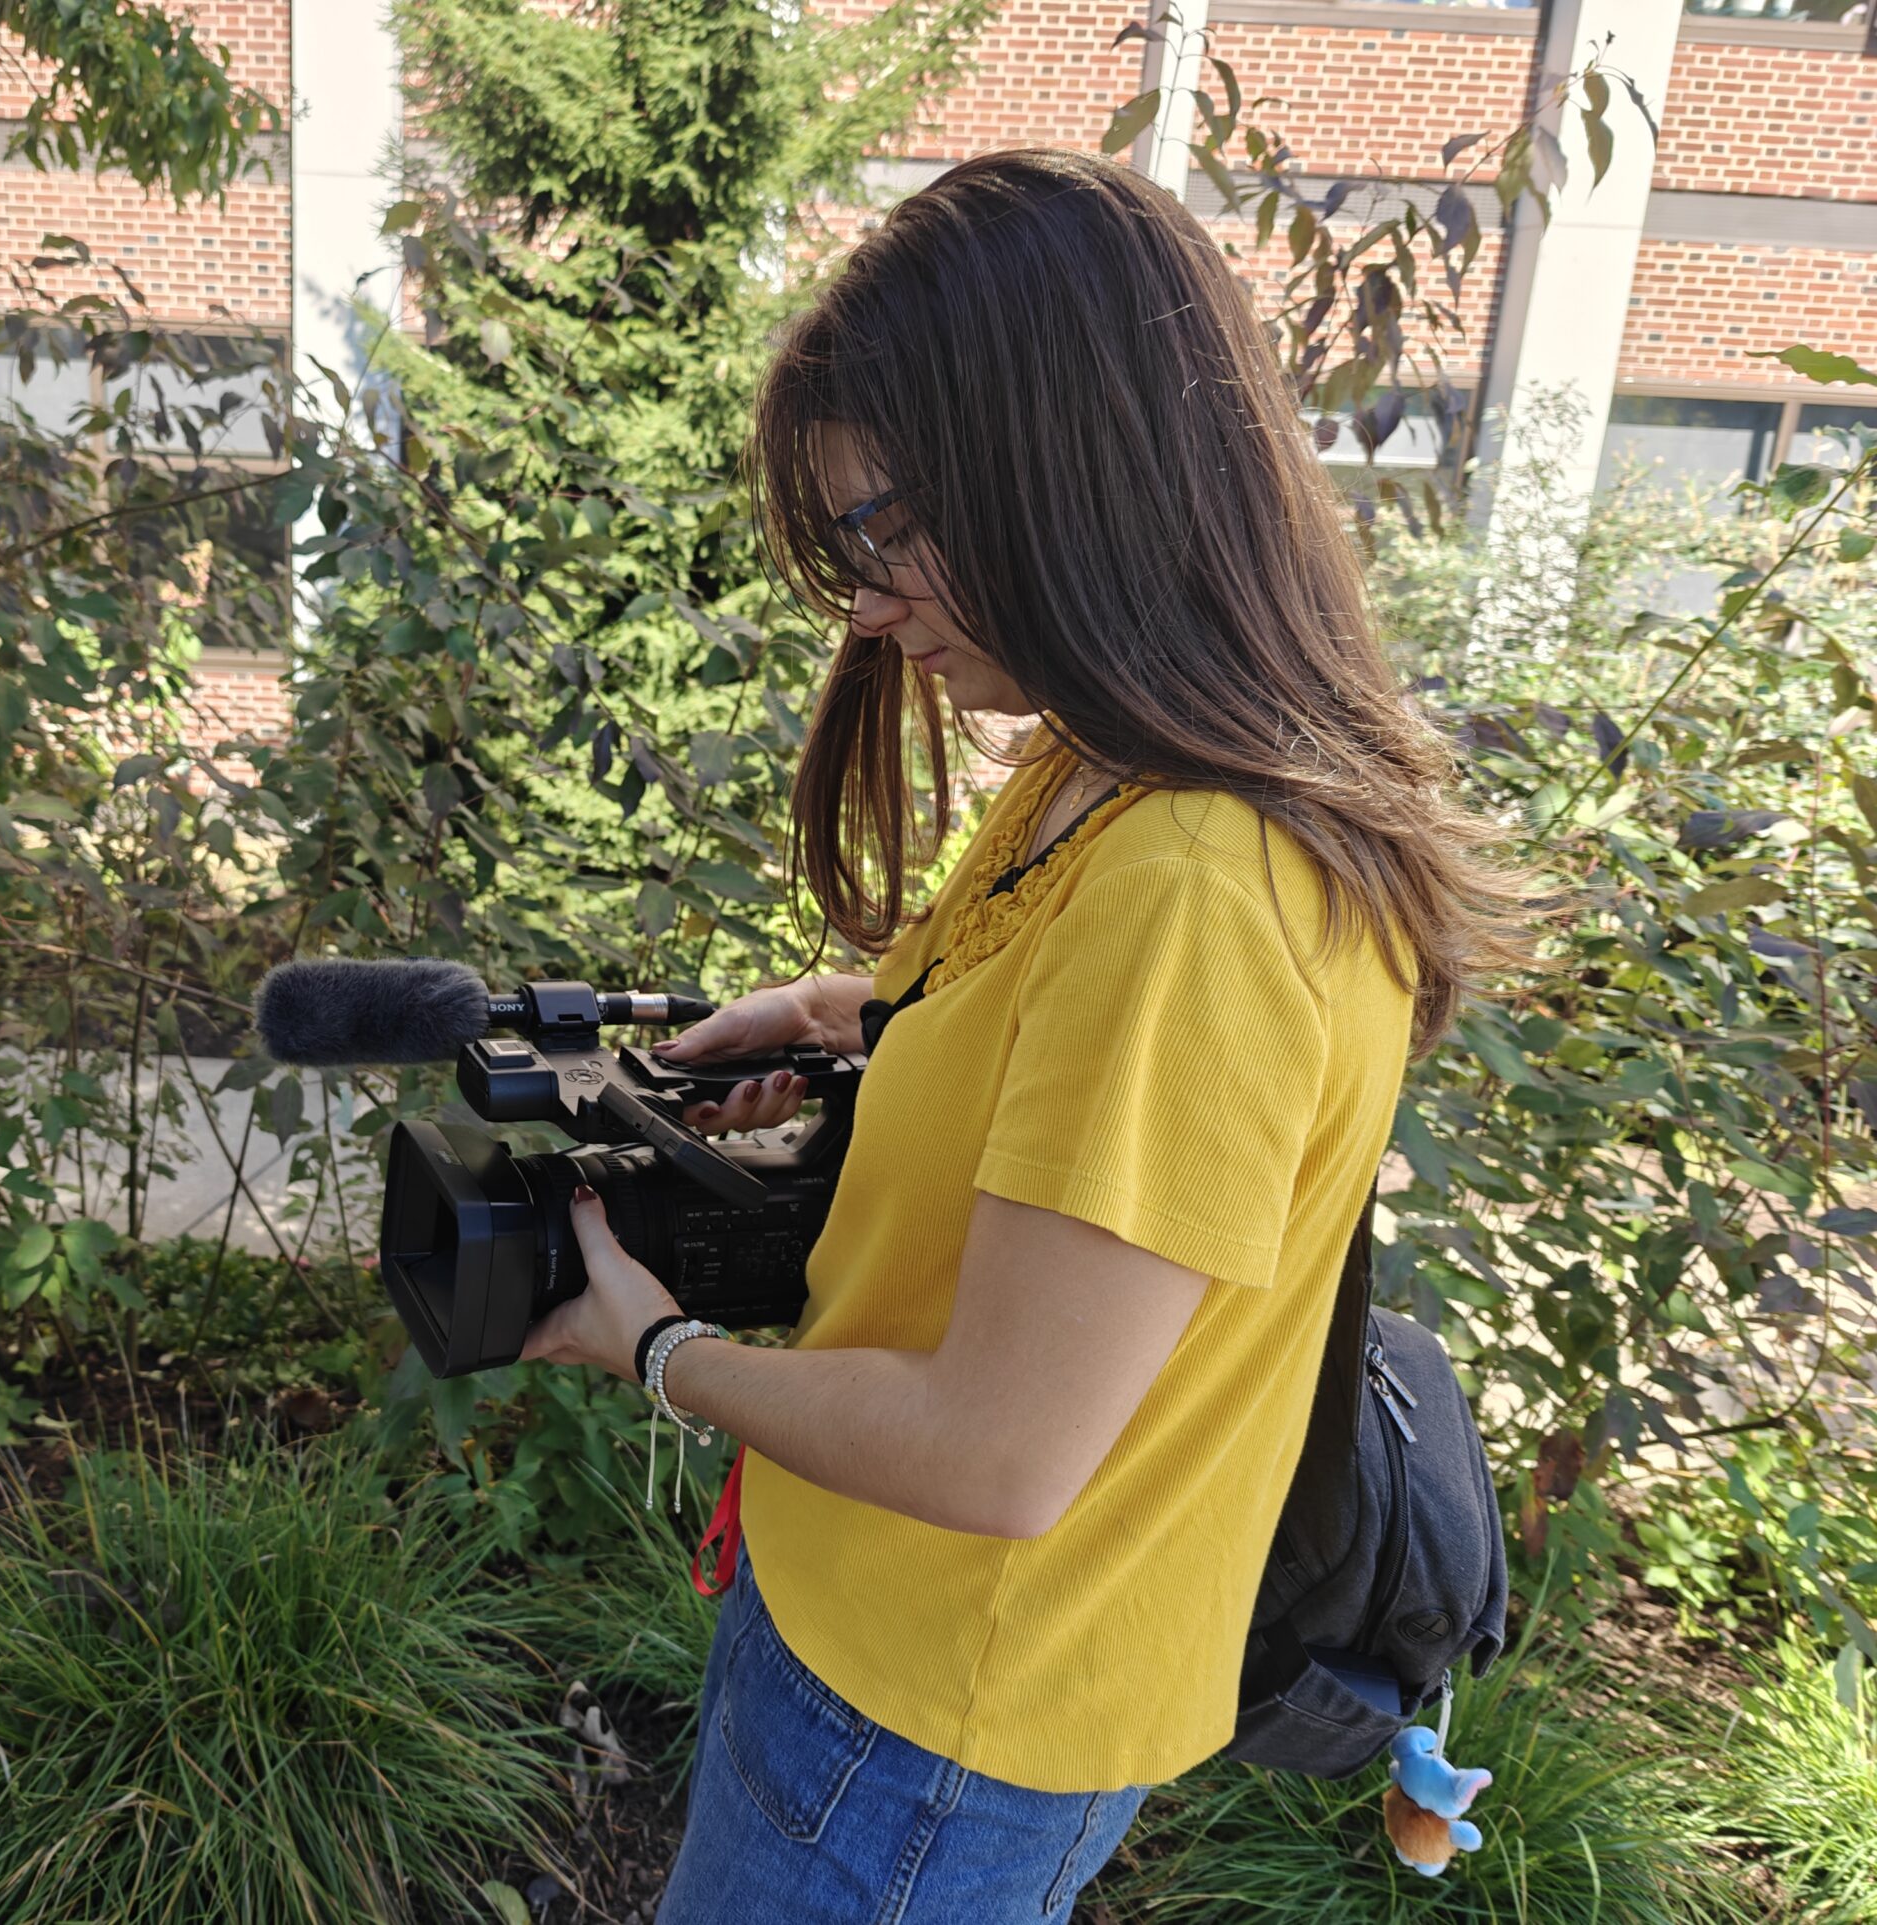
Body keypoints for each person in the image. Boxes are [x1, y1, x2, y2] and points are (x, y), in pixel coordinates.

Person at [518, 148, 1526, 1923]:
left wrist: (653, 1348)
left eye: (886, 532)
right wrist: (851, 1023)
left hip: (935, 1721)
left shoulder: (1201, 888)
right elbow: (1042, 1037)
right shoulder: (1100, 768)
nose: (866, 600)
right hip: (887, 1649)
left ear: (1067, 480)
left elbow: (1001, 1451)